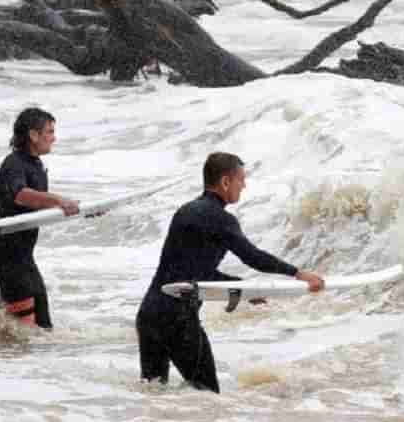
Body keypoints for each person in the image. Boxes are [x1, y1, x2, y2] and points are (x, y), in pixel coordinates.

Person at [136, 152, 325, 392]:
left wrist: (242, 288)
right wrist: (298, 273)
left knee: (154, 393)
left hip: (150, 315)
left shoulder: (185, 212)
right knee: (207, 397)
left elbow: (192, 272)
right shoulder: (221, 219)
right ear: (226, 182)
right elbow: (253, 257)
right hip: (177, 320)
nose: (244, 185)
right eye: (241, 180)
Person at [0, 107, 80, 328]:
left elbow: (40, 205)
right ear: (33, 135)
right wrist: (59, 200)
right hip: (7, 258)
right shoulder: (13, 164)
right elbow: (20, 195)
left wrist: (83, 211)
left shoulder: (36, 165)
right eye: (49, 132)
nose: (54, 138)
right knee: (24, 335)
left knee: (43, 329)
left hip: (25, 258)